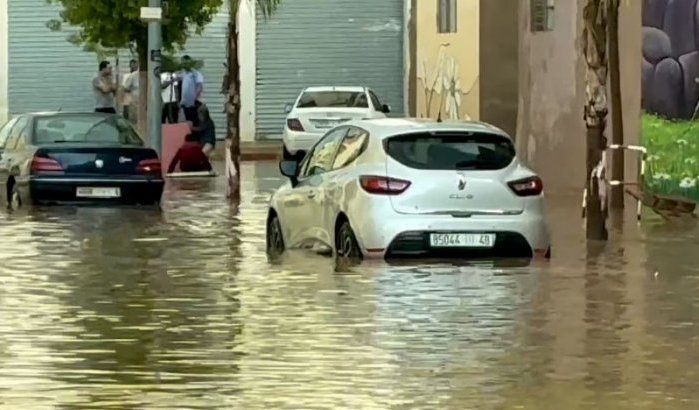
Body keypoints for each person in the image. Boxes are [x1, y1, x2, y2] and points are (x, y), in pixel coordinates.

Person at [178, 55, 204, 126]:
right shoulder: (182, 74)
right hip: (185, 103)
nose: (185, 65)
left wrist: (194, 99)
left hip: (194, 103)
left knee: (195, 121)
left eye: (187, 63)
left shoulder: (196, 74)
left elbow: (199, 87)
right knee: (188, 122)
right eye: (183, 63)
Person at [121, 59, 139, 124]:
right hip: (127, 100)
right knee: (127, 120)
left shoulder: (139, 75)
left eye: (135, 65)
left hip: (136, 101)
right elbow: (124, 87)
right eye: (132, 65)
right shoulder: (127, 76)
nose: (133, 66)